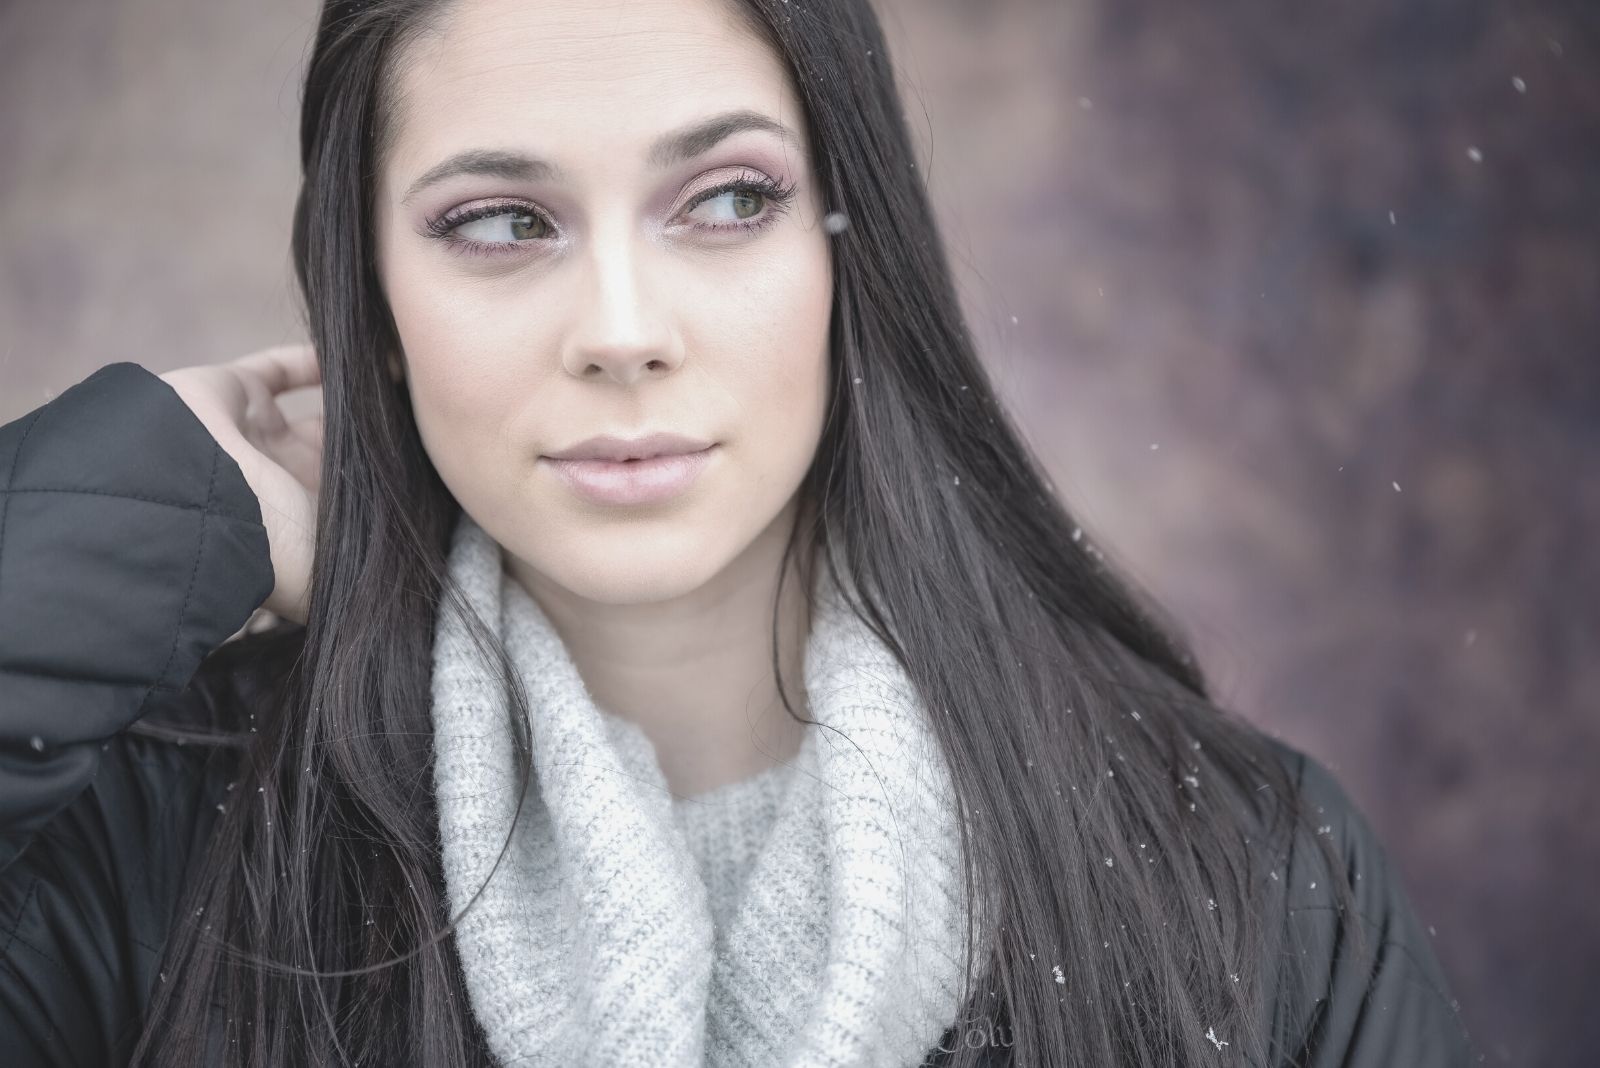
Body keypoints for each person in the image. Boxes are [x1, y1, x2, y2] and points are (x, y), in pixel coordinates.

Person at [0, 0, 1477, 1064]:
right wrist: (118, 516)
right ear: (370, 304)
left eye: (725, 199)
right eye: (505, 223)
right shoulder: (159, 843)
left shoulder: (1242, 871)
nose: (625, 333)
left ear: (851, 247)